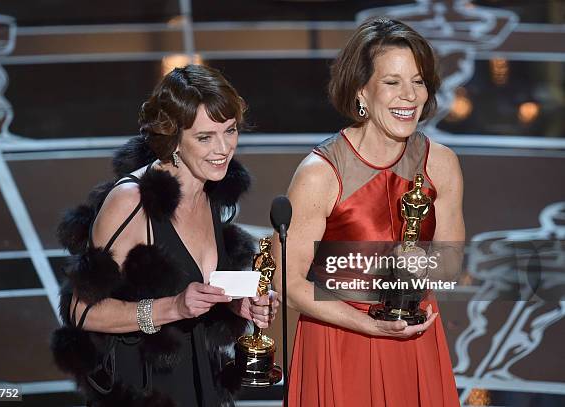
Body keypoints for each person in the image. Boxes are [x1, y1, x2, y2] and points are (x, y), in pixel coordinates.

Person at [51, 64, 280, 406]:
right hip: (144, 390)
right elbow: (81, 311)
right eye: (205, 137)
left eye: (230, 131)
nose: (223, 149)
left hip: (204, 381)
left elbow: (203, 280)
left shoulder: (212, 189)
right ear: (173, 137)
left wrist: (238, 302)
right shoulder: (131, 201)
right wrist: (170, 308)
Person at [275, 18, 463, 406]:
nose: (409, 96)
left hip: (413, 338)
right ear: (361, 90)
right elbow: (286, 282)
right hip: (340, 341)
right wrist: (367, 322)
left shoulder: (441, 163)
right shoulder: (320, 173)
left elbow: (449, 263)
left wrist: (408, 290)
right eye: (392, 82)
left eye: (418, 81)